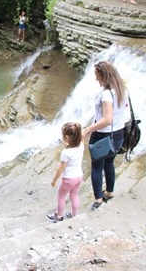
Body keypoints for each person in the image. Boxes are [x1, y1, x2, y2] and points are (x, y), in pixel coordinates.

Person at [82, 61, 128, 210]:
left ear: (104, 75)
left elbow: (107, 119)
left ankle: (98, 199)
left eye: (97, 75)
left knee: (96, 167)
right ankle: (109, 192)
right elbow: (123, 109)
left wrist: (88, 129)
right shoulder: (122, 89)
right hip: (119, 134)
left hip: (102, 136)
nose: (96, 79)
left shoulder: (107, 94)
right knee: (109, 163)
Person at [46, 122, 85, 223]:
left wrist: (54, 180)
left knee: (61, 196)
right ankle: (74, 215)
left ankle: (59, 216)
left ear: (67, 137)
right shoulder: (81, 145)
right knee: (74, 195)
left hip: (68, 179)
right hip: (79, 177)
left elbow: (61, 168)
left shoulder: (66, 153)